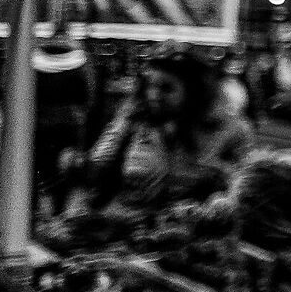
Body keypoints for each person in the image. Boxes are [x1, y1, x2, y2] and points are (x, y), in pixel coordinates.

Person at [76, 51, 252, 212]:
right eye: (149, 86)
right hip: (130, 232)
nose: (153, 95)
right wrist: (79, 164)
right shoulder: (132, 121)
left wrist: (218, 178)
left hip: (193, 236)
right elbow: (96, 168)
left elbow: (245, 189)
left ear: (193, 91)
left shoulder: (229, 129)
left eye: (166, 88)